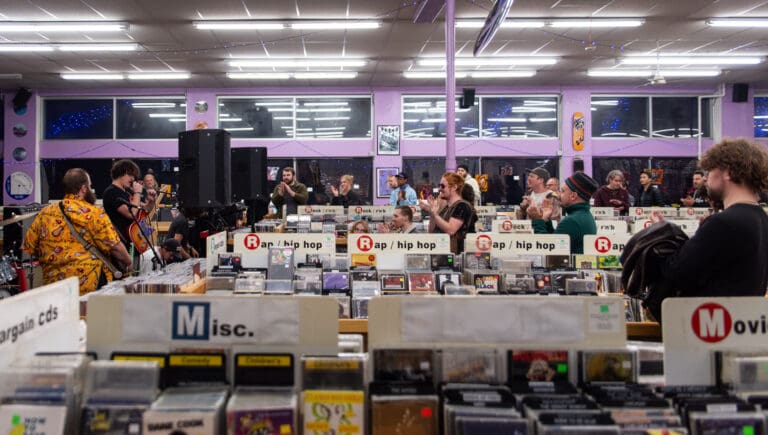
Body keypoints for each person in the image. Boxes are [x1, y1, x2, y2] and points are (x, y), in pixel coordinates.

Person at [653, 138, 768, 298]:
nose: (706, 179)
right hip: (743, 320)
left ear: (729, 173)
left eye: (710, 171)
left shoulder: (724, 223)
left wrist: (661, 234)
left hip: (713, 318)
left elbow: (676, 273)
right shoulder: (760, 217)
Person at [23, 168, 132, 295]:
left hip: (54, 286)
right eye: (90, 186)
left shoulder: (45, 213)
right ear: (84, 189)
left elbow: (29, 247)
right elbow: (115, 248)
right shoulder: (94, 213)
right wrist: (128, 262)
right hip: (87, 283)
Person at [527, 172, 599, 254]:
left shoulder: (572, 221)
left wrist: (537, 220)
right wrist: (546, 220)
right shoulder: (582, 215)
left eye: (563, 191)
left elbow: (548, 249)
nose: (559, 194)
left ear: (573, 196)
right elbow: (555, 239)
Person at [103, 159, 156, 253]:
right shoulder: (112, 192)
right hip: (121, 244)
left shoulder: (127, 192)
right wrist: (137, 193)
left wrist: (151, 202)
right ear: (123, 173)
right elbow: (131, 214)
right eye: (131, 175)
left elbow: (145, 211)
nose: (133, 179)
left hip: (134, 241)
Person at [419, 173, 473, 254]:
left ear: (454, 187)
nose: (439, 189)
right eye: (439, 185)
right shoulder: (447, 208)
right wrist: (432, 212)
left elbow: (451, 230)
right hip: (444, 252)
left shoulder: (462, 206)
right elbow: (431, 231)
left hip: (458, 254)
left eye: (443, 186)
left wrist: (435, 214)